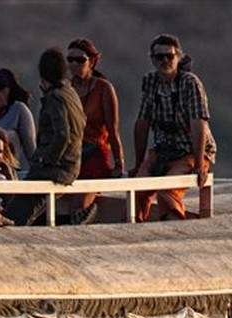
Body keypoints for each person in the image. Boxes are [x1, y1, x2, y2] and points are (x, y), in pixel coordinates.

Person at [131, 34, 217, 221]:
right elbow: (143, 122)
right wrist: (139, 163)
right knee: (138, 187)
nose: (165, 61)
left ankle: (174, 227)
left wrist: (198, 164)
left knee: (167, 191)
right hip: (163, 149)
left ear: (178, 57)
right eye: (159, 57)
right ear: (152, 60)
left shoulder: (190, 83)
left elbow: (198, 123)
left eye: (169, 56)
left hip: (190, 150)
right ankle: (136, 226)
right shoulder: (150, 81)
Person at [3, 48, 85, 226]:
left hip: (54, 169)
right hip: (70, 166)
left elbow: (62, 134)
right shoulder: (70, 93)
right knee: (31, 212)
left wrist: (46, 160)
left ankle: (70, 222)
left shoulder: (55, 98)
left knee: (12, 216)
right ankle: (70, 220)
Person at [66, 38, 125, 225]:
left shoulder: (103, 88)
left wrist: (119, 163)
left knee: (79, 202)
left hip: (95, 152)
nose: (74, 65)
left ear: (91, 61)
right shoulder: (66, 88)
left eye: (80, 60)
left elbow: (113, 129)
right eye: (70, 60)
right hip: (70, 153)